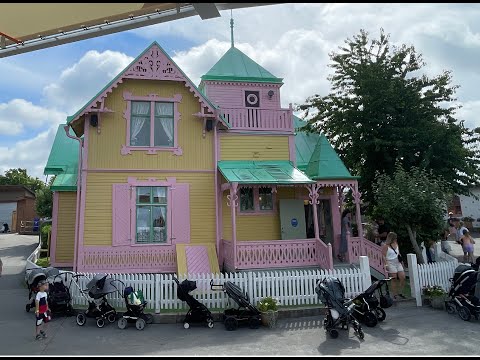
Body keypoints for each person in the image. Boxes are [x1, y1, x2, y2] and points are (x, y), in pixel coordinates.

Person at [382, 232, 406, 300]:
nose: (396, 239)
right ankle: (395, 294)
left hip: (397, 262)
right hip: (390, 262)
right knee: (394, 278)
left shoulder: (396, 244)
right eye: (395, 238)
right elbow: (383, 256)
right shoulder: (386, 246)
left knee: (402, 277)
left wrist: (402, 261)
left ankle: (401, 292)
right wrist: (386, 264)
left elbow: (398, 253)